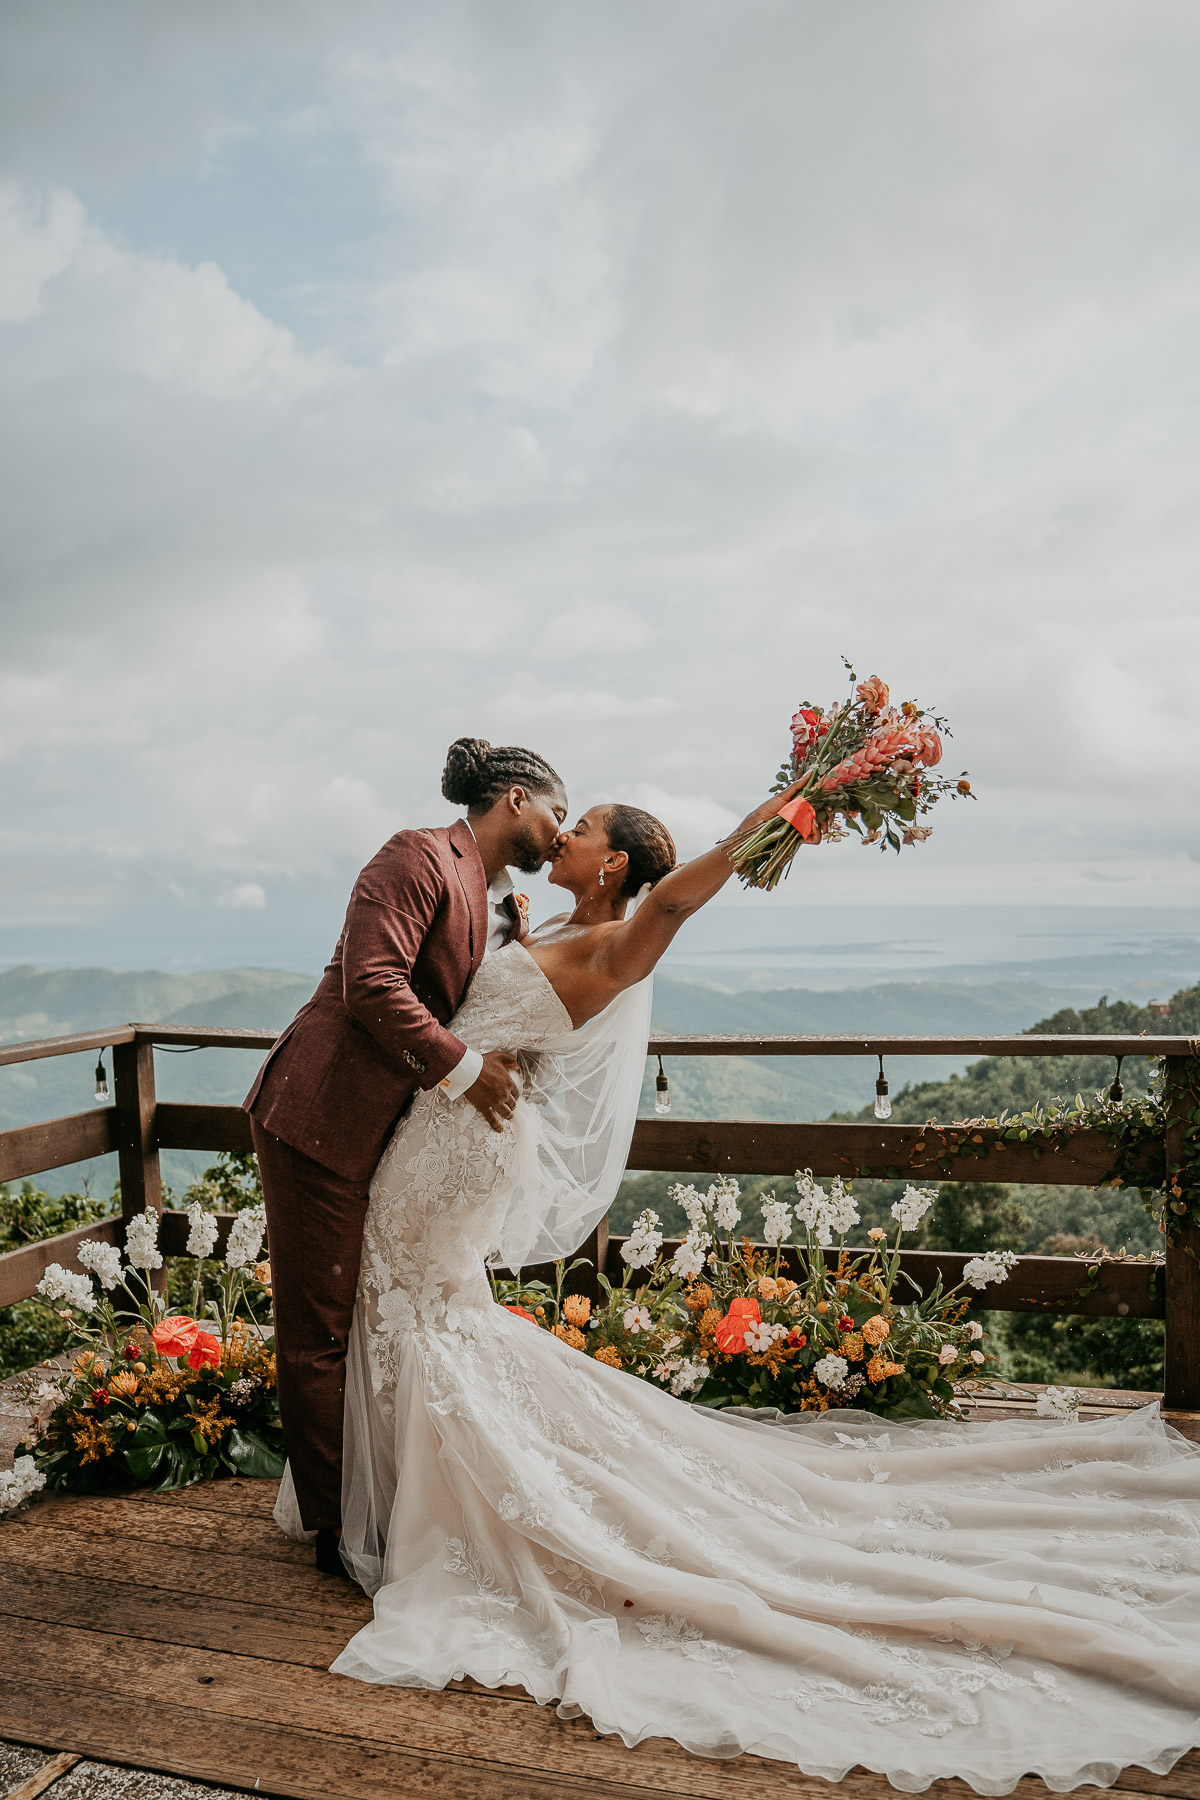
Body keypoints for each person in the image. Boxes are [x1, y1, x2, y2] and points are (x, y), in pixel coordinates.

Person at [280, 784, 1200, 1793]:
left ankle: (412, 1506)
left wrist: (796, 803)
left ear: (616, 865)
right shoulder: (552, 923)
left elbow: (677, 901)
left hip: (461, 1150)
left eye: (585, 827)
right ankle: (397, 1495)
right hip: (444, 1137)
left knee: (422, 1309)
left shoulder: (623, 939)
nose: (572, 831)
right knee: (413, 1309)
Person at [245, 737, 567, 1570]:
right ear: (516, 799)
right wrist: (465, 1072)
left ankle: (373, 1498)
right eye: (557, 814)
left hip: (388, 1131)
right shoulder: (417, 855)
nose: (560, 836)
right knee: (318, 1328)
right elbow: (373, 981)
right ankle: (335, 1530)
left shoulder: (501, 901)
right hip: (320, 1113)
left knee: (357, 1317)